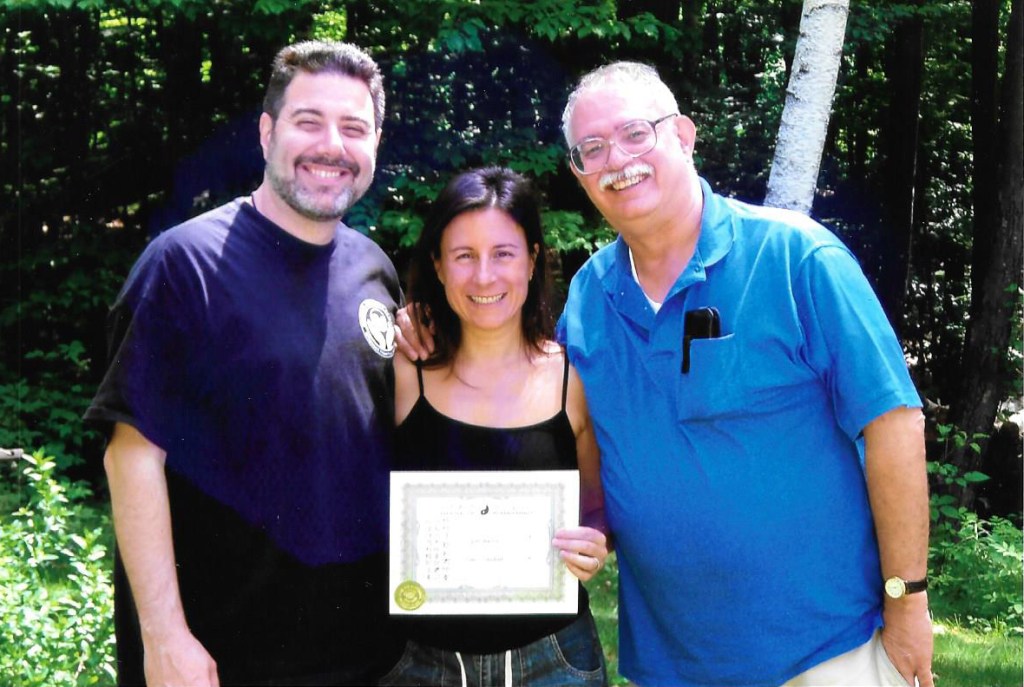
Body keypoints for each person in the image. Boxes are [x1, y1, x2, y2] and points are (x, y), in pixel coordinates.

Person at [397, 62, 933, 687]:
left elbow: (893, 424)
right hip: (673, 664)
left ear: (683, 134)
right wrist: (429, 326)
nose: (616, 160)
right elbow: (557, 439)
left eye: (635, 134)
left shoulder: (797, 258)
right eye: (591, 149)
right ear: (579, 173)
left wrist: (908, 599)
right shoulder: (589, 301)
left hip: (829, 652)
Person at [85, 40, 404, 686]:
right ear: (267, 132)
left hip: (365, 656)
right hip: (223, 659)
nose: (331, 146)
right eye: (308, 121)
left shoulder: (377, 270)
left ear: (375, 143)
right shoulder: (184, 266)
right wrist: (164, 635)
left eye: (353, 128)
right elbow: (130, 455)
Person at [380, 167, 609, 687]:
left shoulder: (571, 379)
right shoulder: (400, 371)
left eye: (503, 253)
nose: (484, 277)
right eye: (464, 256)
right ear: (438, 266)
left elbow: (596, 509)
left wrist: (594, 540)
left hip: (554, 660)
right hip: (419, 663)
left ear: (531, 260)